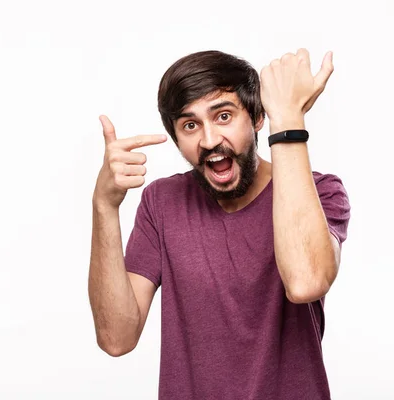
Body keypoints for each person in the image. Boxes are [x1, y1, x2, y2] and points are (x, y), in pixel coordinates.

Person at [88, 48, 351, 400]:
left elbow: (305, 283)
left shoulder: (319, 193)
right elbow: (116, 338)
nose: (209, 140)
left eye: (223, 116)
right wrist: (104, 206)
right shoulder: (161, 203)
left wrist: (287, 121)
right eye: (190, 125)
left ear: (257, 117)